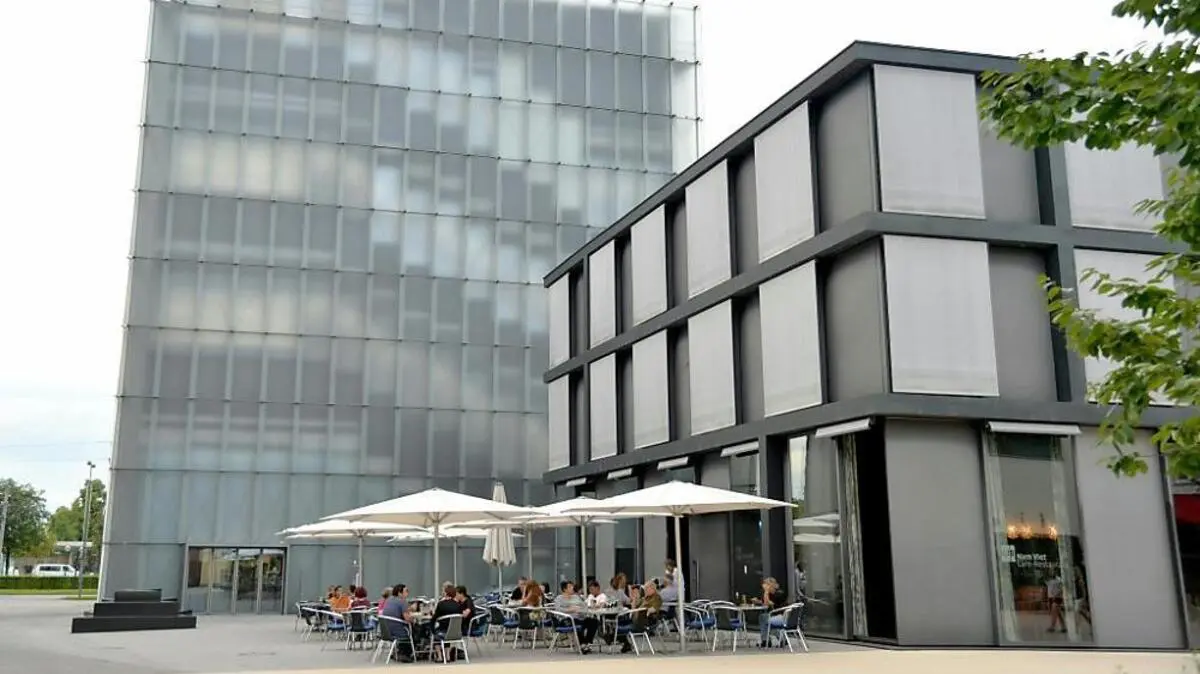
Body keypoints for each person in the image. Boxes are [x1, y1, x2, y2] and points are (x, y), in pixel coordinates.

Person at [554, 581, 598, 652]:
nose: (572, 588)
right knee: (576, 623)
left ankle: (587, 643)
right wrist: (570, 609)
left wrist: (583, 609)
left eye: (572, 586)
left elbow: (584, 606)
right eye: (570, 587)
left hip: (579, 617)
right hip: (566, 620)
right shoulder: (559, 598)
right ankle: (583, 644)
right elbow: (558, 609)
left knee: (594, 621)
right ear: (565, 589)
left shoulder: (576, 597)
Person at [757, 577, 787, 647]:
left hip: (782, 617)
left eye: (766, 585)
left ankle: (767, 640)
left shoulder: (779, 593)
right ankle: (766, 640)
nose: (764, 587)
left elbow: (767, 604)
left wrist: (766, 591)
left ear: (771, 585)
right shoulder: (771, 594)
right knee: (763, 617)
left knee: (764, 619)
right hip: (776, 615)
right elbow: (765, 602)